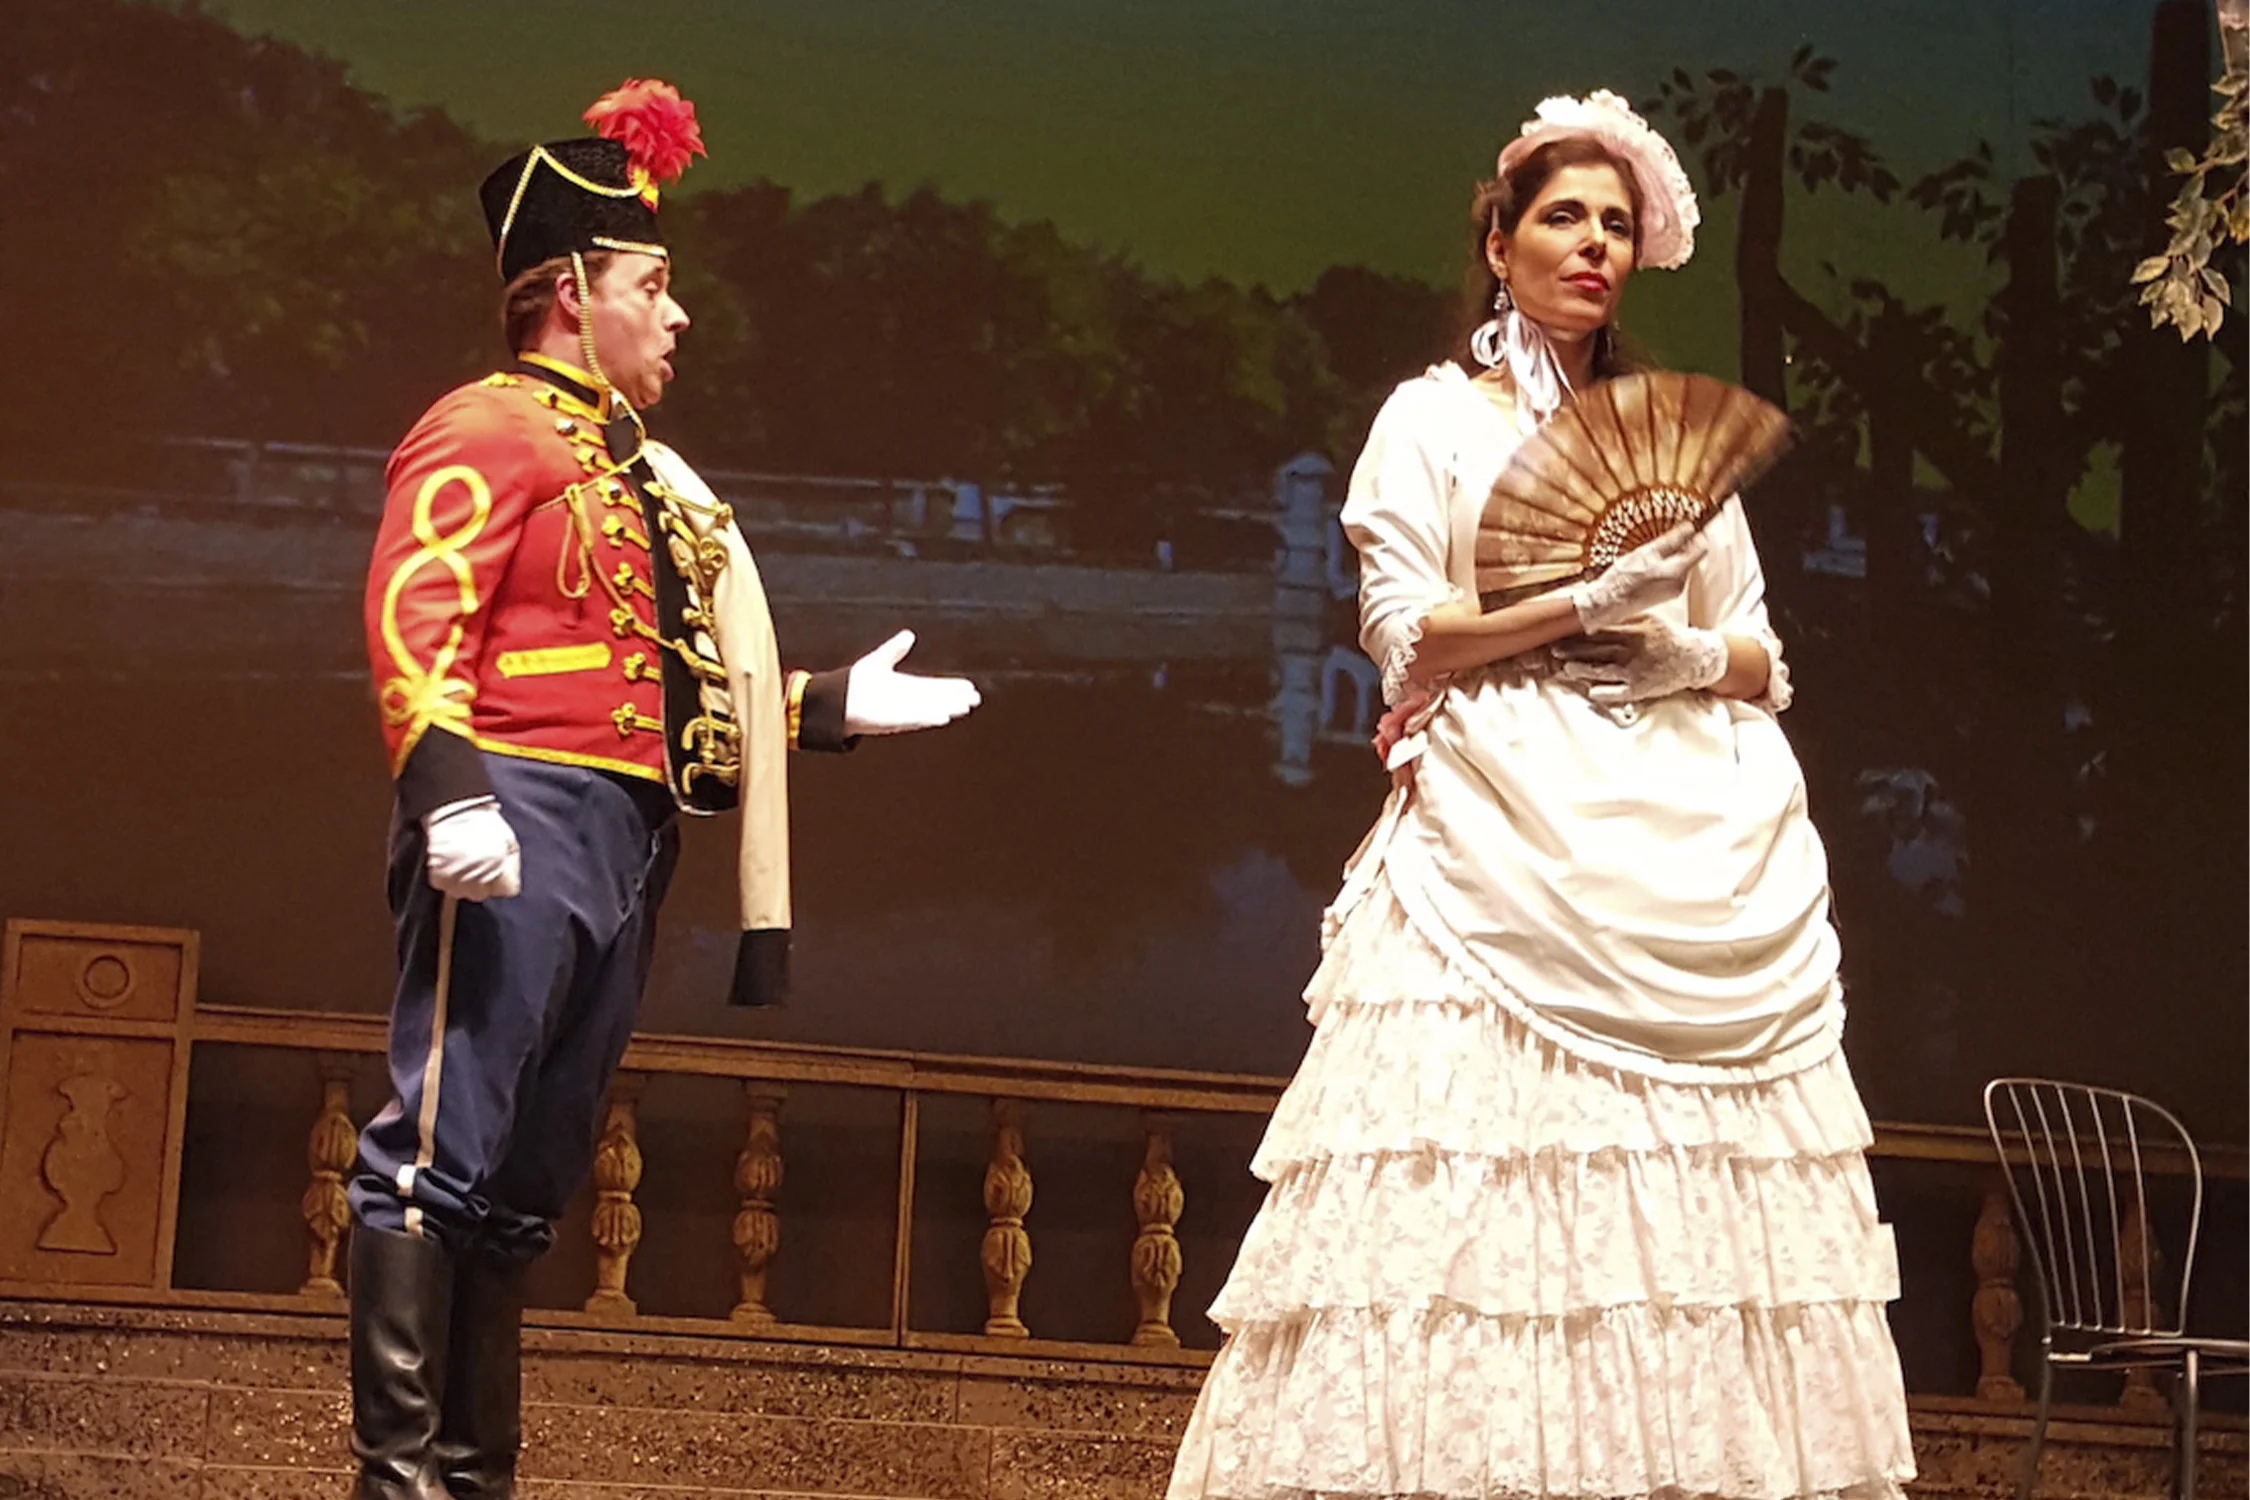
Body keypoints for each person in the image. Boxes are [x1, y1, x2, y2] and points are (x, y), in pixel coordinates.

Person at [1168, 92, 1916, 1500]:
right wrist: (1582, 599)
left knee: (1679, 1218)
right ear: (1499, 245)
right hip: (1497, 823)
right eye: (1563, 217)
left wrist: (1680, 648)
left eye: (1615, 225)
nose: (1591, 245)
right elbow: (1408, 637)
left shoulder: (1665, 442)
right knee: (1467, 1178)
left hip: (1684, 826)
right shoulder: (1431, 421)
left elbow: (1764, 655)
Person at [349, 80, 980, 1499]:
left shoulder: (649, 473)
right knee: (436, 1151)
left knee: (524, 1183)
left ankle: (474, 1480)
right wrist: (448, 784)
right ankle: (398, 1486)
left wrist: (818, 709)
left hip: (626, 835)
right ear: (572, 290)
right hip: (515, 810)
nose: (678, 314)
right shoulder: (490, 426)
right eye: (653, 284)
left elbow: (669, 676)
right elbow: (415, 604)